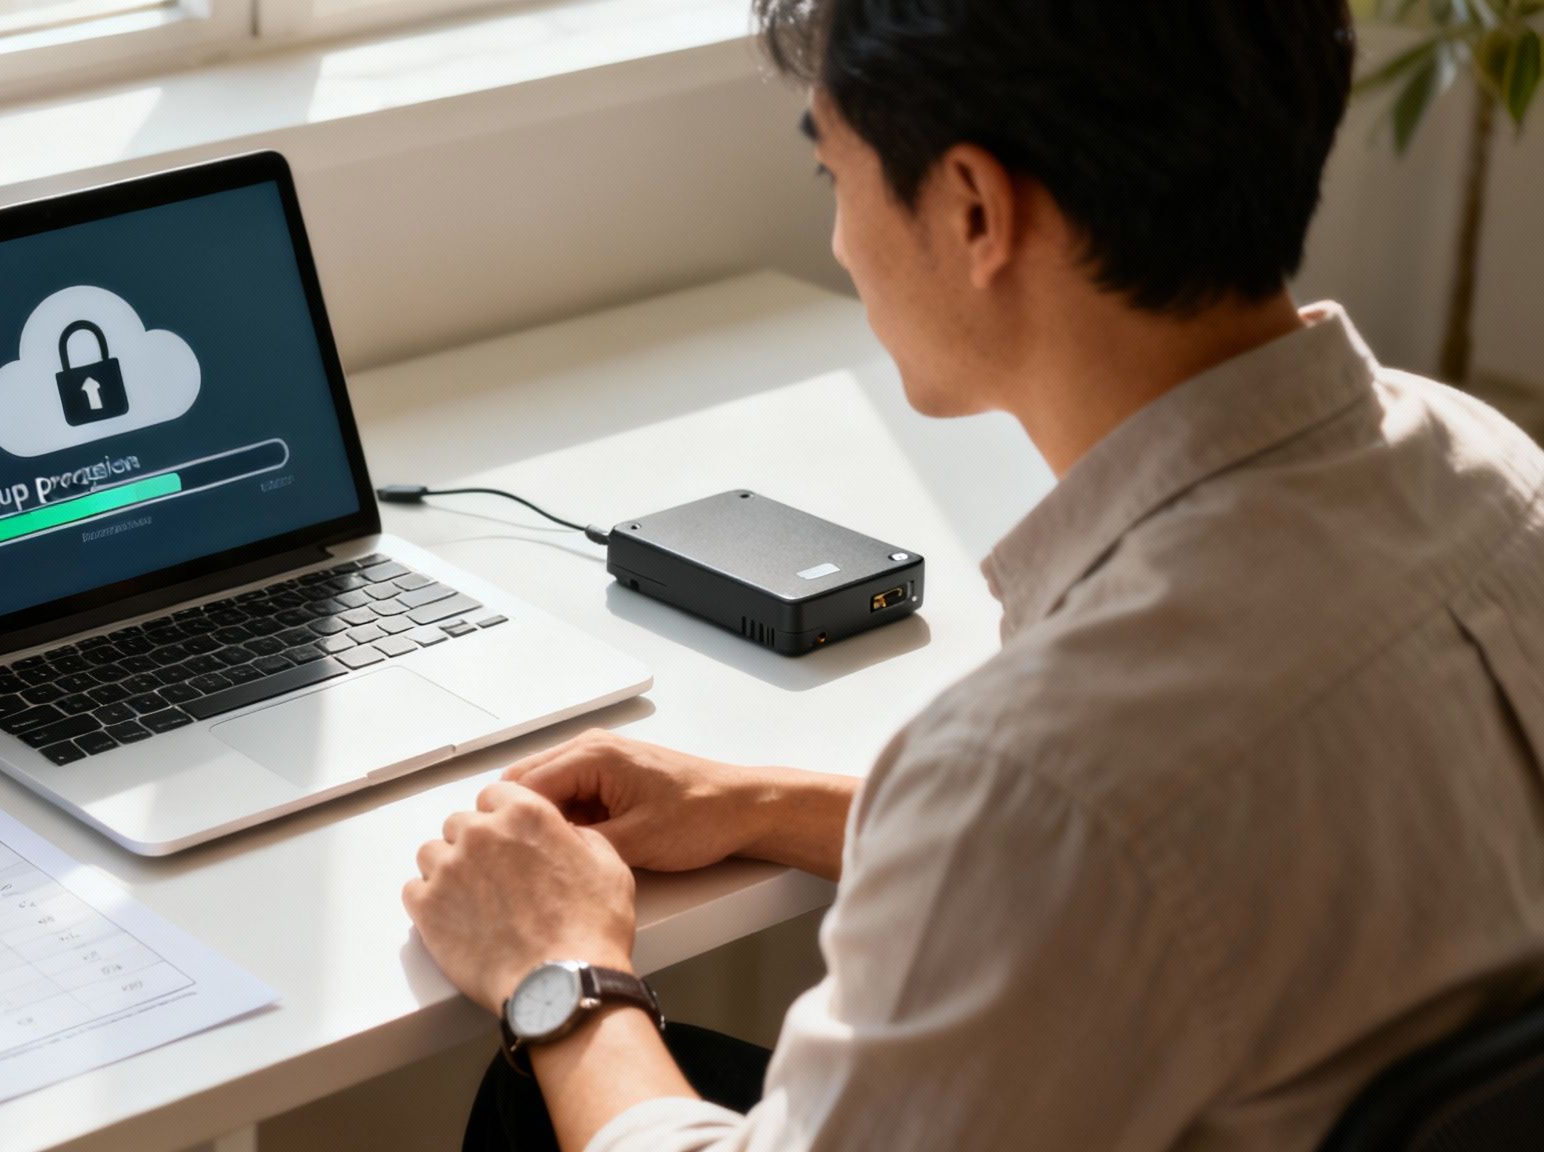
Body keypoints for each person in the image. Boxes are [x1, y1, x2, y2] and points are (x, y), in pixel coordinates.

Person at [400, 1, 1544, 1150]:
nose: (840, 243)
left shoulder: (1043, 778)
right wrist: (762, 803)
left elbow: (1071, 826)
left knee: (533, 1105)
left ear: (972, 209)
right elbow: (1204, 855)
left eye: (829, 175)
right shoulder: (1488, 476)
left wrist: (559, 969)